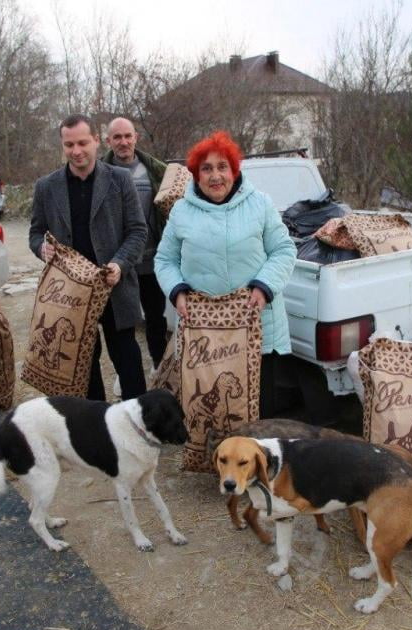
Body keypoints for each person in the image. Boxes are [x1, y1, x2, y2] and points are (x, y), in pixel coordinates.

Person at [154, 130, 296, 418]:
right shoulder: (181, 211)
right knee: (213, 409)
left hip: (257, 328)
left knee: (260, 411)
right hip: (205, 334)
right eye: (206, 169)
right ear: (196, 175)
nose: (215, 176)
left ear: (234, 170)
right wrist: (177, 290)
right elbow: (164, 259)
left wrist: (263, 286)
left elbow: (283, 250)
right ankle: (219, 461)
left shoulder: (261, 204)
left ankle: (259, 461)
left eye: (222, 167)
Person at [29, 114, 148, 401]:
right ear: (62, 145)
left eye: (82, 142)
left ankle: (139, 419)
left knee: (126, 356)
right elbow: (35, 233)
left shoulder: (119, 180)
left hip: (114, 287)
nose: (76, 150)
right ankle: (95, 421)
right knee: (84, 360)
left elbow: (137, 231)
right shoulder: (46, 187)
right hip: (72, 294)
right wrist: (41, 248)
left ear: (96, 140)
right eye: (69, 144)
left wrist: (119, 264)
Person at [101, 117, 169, 370]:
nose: (123, 142)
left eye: (128, 136)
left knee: (155, 317)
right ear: (109, 141)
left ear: (136, 137)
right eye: (117, 137)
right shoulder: (100, 173)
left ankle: (158, 364)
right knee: (124, 320)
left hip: (152, 259)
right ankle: (125, 369)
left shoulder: (155, 170)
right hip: (120, 262)